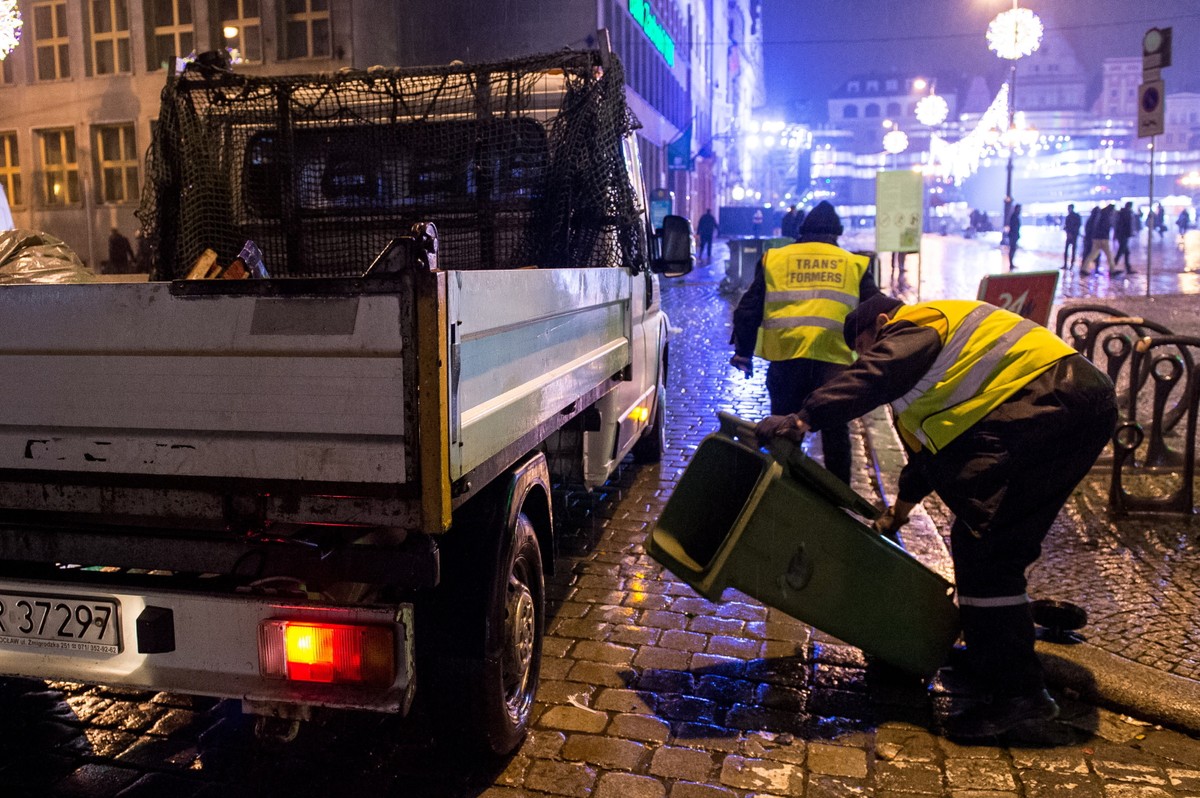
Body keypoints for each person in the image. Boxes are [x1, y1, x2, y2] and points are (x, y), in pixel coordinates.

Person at [755, 293, 1117, 738]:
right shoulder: (929, 380)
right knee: (985, 541)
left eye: (865, 346)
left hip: (1054, 401)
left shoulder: (920, 323)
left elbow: (878, 371)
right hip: (1056, 408)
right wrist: (896, 516)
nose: (865, 357)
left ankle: (1020, 699)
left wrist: (804, 418)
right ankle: (996, 662)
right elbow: (923, 464)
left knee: (989, 553)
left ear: (883, 323)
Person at [730, 201, 881, 486]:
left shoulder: (775, 259)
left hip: (787, 361)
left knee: (783, 432)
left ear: (802, 230)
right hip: (833, 365)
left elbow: (748, 309)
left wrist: (743, 353)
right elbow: (876, 311)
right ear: (837, 233)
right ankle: (839, 501)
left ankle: (781, 490)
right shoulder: (854, 264)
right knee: (836, 434)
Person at [1080, 204, 1115, 276]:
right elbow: (1106, 227)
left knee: (1093, 254)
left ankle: (1084, 268)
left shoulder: (1098, 216)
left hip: (1096, 238)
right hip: (1103, 239)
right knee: (1108, 255)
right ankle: (1112, 270)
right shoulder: (1106, 217)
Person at [1113, 202, 1135, 274]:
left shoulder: (1121, 213)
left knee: (1126, 252)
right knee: (1121, 251)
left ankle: (1127, 268)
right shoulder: (1127, 213)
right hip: (1124, 235)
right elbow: (1127, 225)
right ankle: (1112, 267)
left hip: (1121, 234)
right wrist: (1130, 233)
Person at [1062, 204, 1081, 270]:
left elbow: (1077, 226)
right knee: (1069, 250)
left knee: (1072, 250)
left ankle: (1070, 265)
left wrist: (1071, 233)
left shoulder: (1074, 216)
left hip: (1073, 235)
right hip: (1071, 235)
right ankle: (1067, 265)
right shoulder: (1070, 216)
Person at [1006, 204, 1022, 270]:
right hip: (1013, 235)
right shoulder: (1014, 216)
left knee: (1013, 249)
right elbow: (1014, 227)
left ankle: (1011, 264)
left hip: (1014, 235)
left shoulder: (1015, 216)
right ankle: (1011, 264)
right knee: (1012, 249)